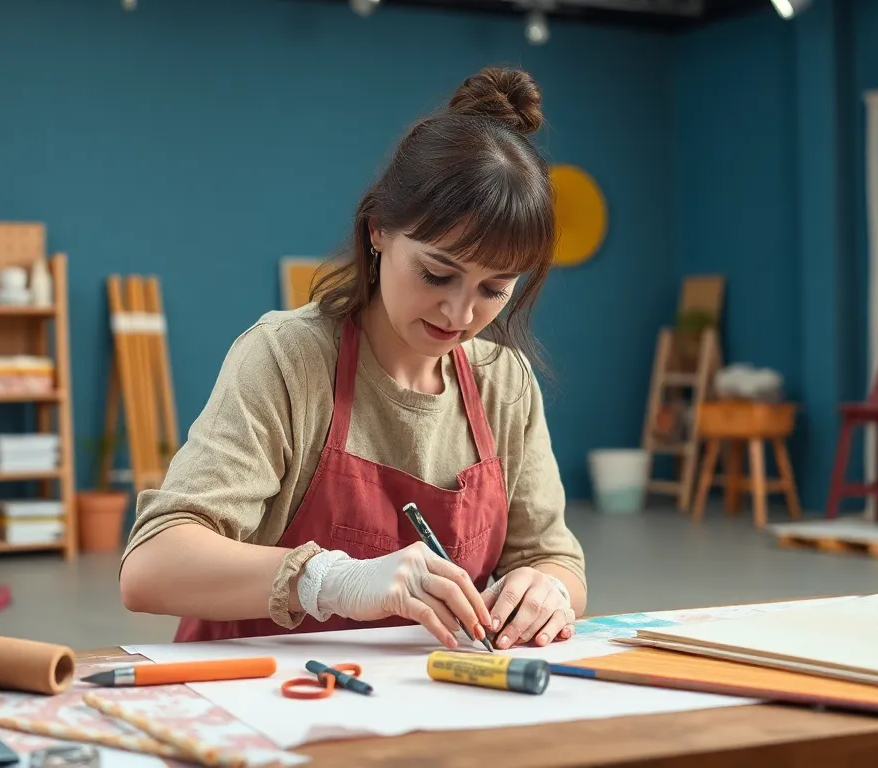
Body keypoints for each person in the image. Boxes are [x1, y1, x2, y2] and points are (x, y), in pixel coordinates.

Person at [119, 66, 587, 651]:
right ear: (379, 232)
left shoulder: (504, 384)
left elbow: (553, 555)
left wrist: (546, 587)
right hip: (258, 696)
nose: (460, 314)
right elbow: (151, 566)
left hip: (422, 699)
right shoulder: (288, 359)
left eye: (494, 289)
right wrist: (332, 580)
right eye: (437, 273)